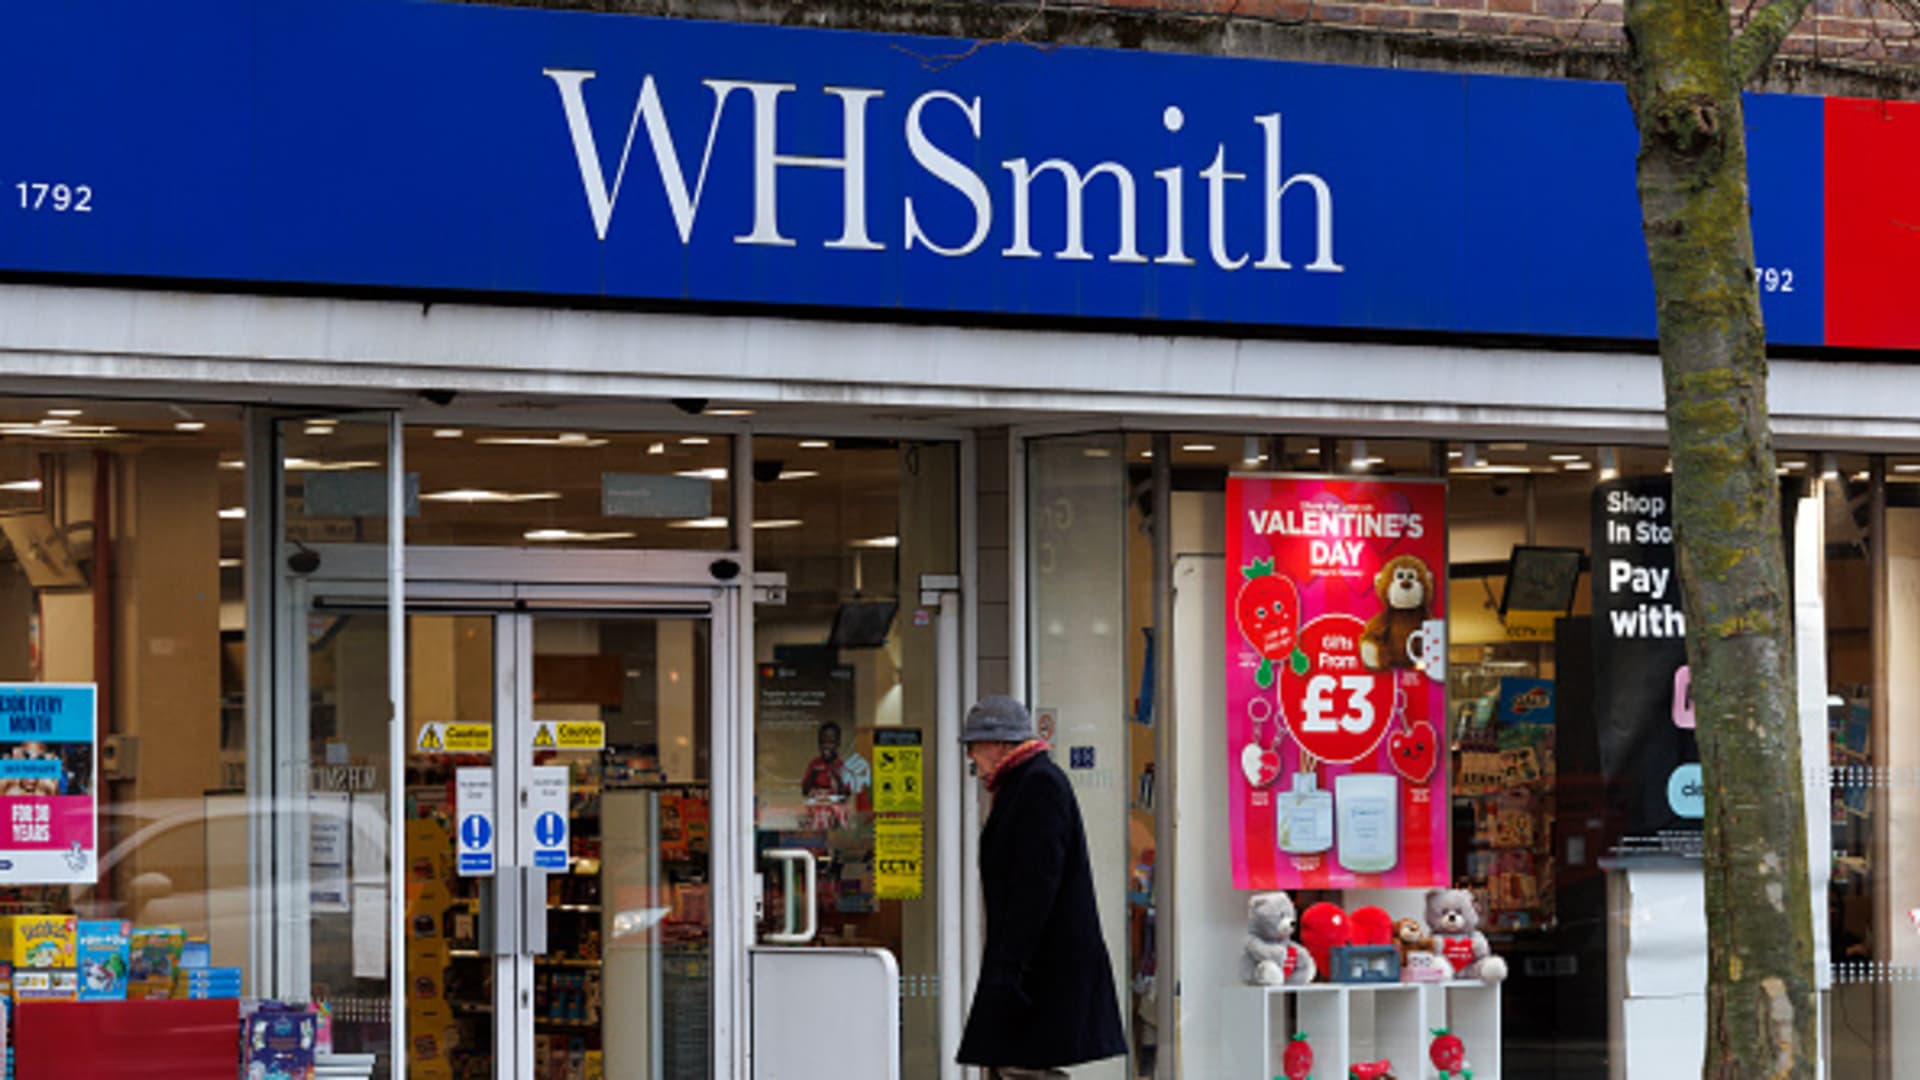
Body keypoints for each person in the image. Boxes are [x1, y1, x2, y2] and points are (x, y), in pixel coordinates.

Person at [956, 695, 1126, 1079]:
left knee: (1020, 1066)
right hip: (1034, 963)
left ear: (999, 744)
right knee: (1014, 1064)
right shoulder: (1025, 783)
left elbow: (1035, 883)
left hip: (1039, 968)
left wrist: (1009, 969)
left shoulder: (1037, 784)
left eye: (974, 747)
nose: (971, 758)